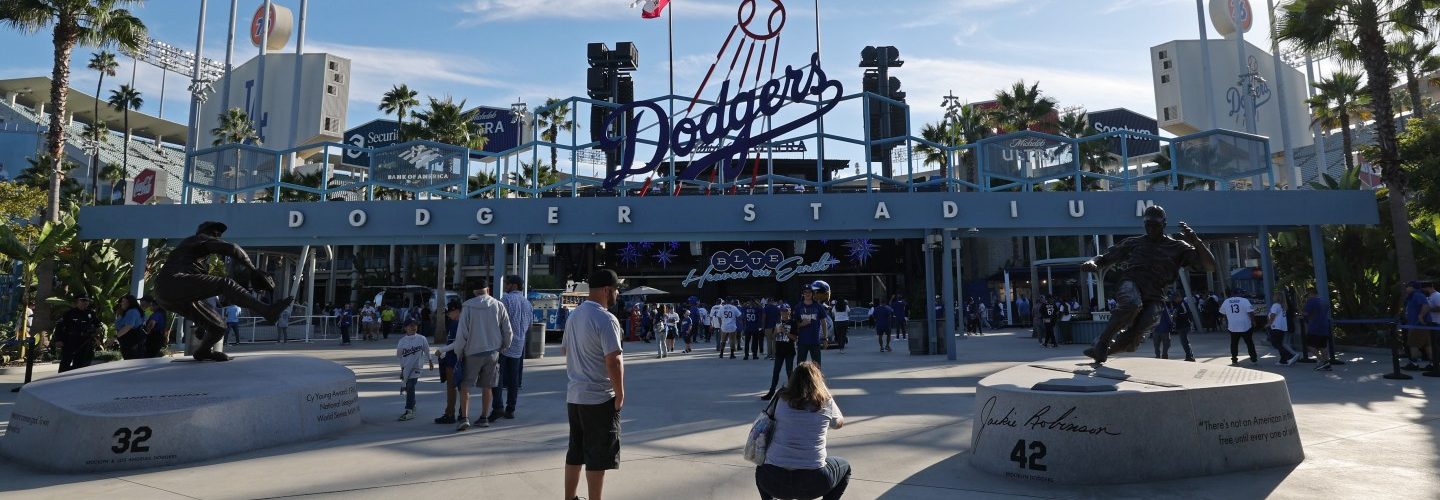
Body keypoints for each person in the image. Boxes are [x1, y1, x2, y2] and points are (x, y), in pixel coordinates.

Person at [1080, 205, 1217, 364]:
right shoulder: (1134, 242)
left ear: (1164, 225)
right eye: (1148, 224)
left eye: (1155, 225)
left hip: (1156, 295)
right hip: (1132, 282)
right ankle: (1103, 342)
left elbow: (1210, 267)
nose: (1151, 228)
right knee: (1131, 304)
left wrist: (1196, 241)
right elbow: (1104, 258)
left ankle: (1102, 350)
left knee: (1135, 336)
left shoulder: (1178, 247)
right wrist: (1091, 262)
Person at [151, 221, 290, 362]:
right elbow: (232, 248)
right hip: (170, 282)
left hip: (172, 295)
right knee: (225, 283)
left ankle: (203, 351)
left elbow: (198, 291)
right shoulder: (196, 240)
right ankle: (266, 311)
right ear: (203, 233)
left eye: (219, 234)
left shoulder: (200, 261)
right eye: (213, 232)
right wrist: (253, 270)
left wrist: (201, 322)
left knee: (218, 327)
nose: (216, 236)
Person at [562, 269, 626, 500]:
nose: (618, 293)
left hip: (575, 396)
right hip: (599, 397)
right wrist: (619, 394)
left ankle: (570, 497)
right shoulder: (606, 318)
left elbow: (565, 350)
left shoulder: (574, 316)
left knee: (576, 451)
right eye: (616, 289)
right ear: (607, 290)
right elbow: (613, 359)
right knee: (597, 455)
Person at [756, 361, 850, 500]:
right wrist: (825, 392)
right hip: (813, 481)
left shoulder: (780, 397)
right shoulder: (825, 401)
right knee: (845, 467)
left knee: (760, 469)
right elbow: (838, 423)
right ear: (818, 382)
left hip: (774, 480)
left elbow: (766, 416)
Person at [436, 279, 514, 431]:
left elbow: (461, 335)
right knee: (487, 386)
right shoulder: (498, 305)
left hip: (472, 352)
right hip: (492, 352)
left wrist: (459, 353)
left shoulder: (468, 307)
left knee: (465, 385)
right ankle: (484, 417)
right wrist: (504, 346)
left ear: (473, 292)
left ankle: (464, 417)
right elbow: (508, 331)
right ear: (488, 290)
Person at [495, 275, 533, 421]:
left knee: (497, 376)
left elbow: (498, 321)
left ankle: (498, 406)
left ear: (514, 285)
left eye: (507, 283)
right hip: (519, 345)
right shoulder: (527, 303)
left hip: (503, 344)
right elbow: (529, 326)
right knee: (514, 380)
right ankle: (511, 409)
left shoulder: (506, 299)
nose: (505, 286)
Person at [395, 319, 432, 421]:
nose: (413, 327)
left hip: (417, 367)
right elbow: (400, 357)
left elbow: (427, 350)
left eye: (415, 325)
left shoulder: (422, 338)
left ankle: (409, 410)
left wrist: (430, 361)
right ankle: (413, 405)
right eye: (410, 325)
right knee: (408, 387)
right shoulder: (402, 341)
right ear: (405, 328)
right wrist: (402, 370)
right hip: (406, 368)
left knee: (411, 385)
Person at [434, 303, 464, 424]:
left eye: (449, 312)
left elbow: (457, 343)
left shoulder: (457, 324)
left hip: (454, 361)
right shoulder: (461, 323)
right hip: (458, 359)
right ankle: (462, 413)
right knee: (462, 388)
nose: (448, 315)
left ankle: (450, 413)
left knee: (452, 388)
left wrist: (442, 350)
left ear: (456, 311)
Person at [54, 296, 101, 372]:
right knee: (66, 362)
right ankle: (60, 379)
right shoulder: (69, 313)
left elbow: (98, 326)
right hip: (70, 340)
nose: (84, 303)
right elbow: (59, 327)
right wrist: (59, 340)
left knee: (81, 364)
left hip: (85, 341)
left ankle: (76, 380)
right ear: (77, 301)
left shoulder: (91, 313)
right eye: (82, 301)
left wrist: (97, 337)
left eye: (86, 301)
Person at [762, 304, 797, 400]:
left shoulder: (793, 323)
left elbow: (795, 338)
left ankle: (792, 392)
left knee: (789, 372)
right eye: (782, 311)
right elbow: (773, 337)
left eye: (785, 311)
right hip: (779, 351)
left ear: (789, 311)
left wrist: (786, 332)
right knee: (775, 372)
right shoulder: (777, 322)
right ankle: (771, 392)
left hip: (789, 351)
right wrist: (777, 331)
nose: (783, 313)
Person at [1221, 290, 1259, 365]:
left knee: (1234, 343)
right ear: (1239, 294)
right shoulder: (1244, 300)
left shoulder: (1226, 301)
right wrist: (1253, 321)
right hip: (1245, 325)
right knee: (1249, 343)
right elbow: (1250, 312)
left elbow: (1223, 313)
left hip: (1232, 326)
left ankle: (1234, 359)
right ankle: (1253, 359)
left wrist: (1227, 321)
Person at [795, 283, 828, 367]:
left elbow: (824, 323)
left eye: (809, 292)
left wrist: (825, 338)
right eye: (805, 292)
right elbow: (794, 325)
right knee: (800, 366)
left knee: (817, 366)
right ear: (803, 293)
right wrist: (801, 324)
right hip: (802, 341)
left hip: (815, 340)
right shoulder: (798, 307)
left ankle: (817, 380)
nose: (807, 294)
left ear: (812, 293)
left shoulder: (818, 306)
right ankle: (800, 380)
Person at [1300, 288, 1333, 371]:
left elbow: (1306, 312)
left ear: (1310, 294)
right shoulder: (1324, 302)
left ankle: (1321, 360)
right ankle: (1327, 363)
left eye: (1307, 295)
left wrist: (1300, 312)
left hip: (1314, 326)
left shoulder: (1311, 301)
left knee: (1310, 345)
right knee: (1323, 345)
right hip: (1324, 325)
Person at [1266, 294, 1301, 366]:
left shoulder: (1275, 305)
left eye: (1274, 296)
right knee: (1280, 343)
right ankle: (1283, 360)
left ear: (1276, 297)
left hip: (1275, 327)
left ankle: (1291, 356)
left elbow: (1272, 315)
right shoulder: (1283, 306)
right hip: (1282, 327)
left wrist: (1269, 324)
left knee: (1276, 344)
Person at [1413, 281, 1440, 372]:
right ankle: (1432, 363)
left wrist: (1429, 309)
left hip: (1437, 323)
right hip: (1430, 323)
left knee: (1435, 344)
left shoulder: (1437, 296)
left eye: (1424, 288)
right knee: (1431, 344)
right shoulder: (1429, 297)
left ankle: (1435, 364)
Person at [114, 295, 146, 360]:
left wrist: (115, 337)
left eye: (123, 301)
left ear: (129, 303)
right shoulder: (132, 311)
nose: (121, 303)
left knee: (131, 360)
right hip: (132, 340)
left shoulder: (132, 312)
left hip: (131, 341)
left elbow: (128, 326)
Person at [1172, 294, 1196, 361]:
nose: (1174, 300)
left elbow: (1187, 313)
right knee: (1184, 342)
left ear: (1179, 297)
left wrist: (1177, 316)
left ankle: (1190, 356)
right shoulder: (1178, 304)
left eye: (1175, 298)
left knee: (1185, 342)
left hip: (1183, 325)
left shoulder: (1182, 304)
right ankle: (1189, 356)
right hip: (1181, 326)